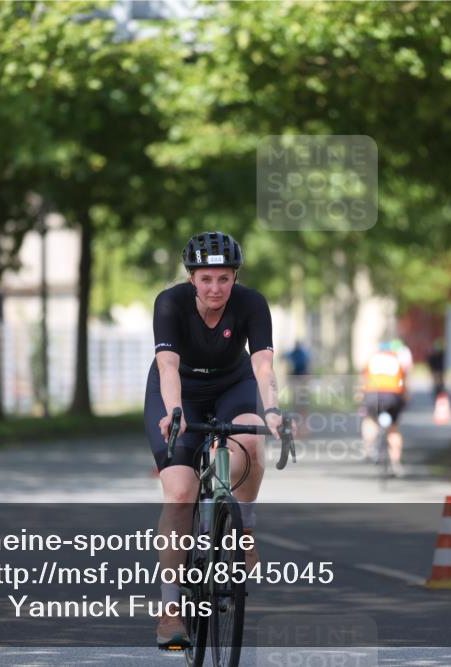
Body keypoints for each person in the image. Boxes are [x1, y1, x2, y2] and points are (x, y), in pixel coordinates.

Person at [145, 231, 285, 649]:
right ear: (191, 278)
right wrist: (175, 412)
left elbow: (262, 365)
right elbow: (167, 366)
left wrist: (273, 409)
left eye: (224, 279)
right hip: (179, 391)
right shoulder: (169, 303)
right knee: (181, 493)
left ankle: (246, 535)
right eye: (206, 279)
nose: (215, 288)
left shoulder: (251, 303)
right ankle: (171, 611)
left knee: (249, 443)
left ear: (235, 277)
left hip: (232, 385)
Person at [360, 342, 408, 477]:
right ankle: (395, 463)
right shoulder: (397, 360)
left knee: (370, 420)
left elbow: (363, 380)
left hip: (373, 395)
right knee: (393, 429)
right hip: (392, 396)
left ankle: (368, 449)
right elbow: (403, 382)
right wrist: (405, 398)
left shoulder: (371, 360)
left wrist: (360, 396)